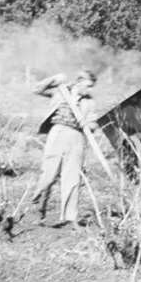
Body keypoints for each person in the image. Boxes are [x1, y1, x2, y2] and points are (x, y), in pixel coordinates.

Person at [30, 70, 98, 228]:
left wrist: (87, 124)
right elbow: (37, 89)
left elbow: (93, 123)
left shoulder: (90, 102)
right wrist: (54, 79)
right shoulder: (61, 91)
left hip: (78, 137)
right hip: (58, 132)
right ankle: (38, 210)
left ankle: (69, 217)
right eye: (88, 86)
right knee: (49, 173)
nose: (90, 90)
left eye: (92, 87)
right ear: (79, 81)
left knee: (72, 178)